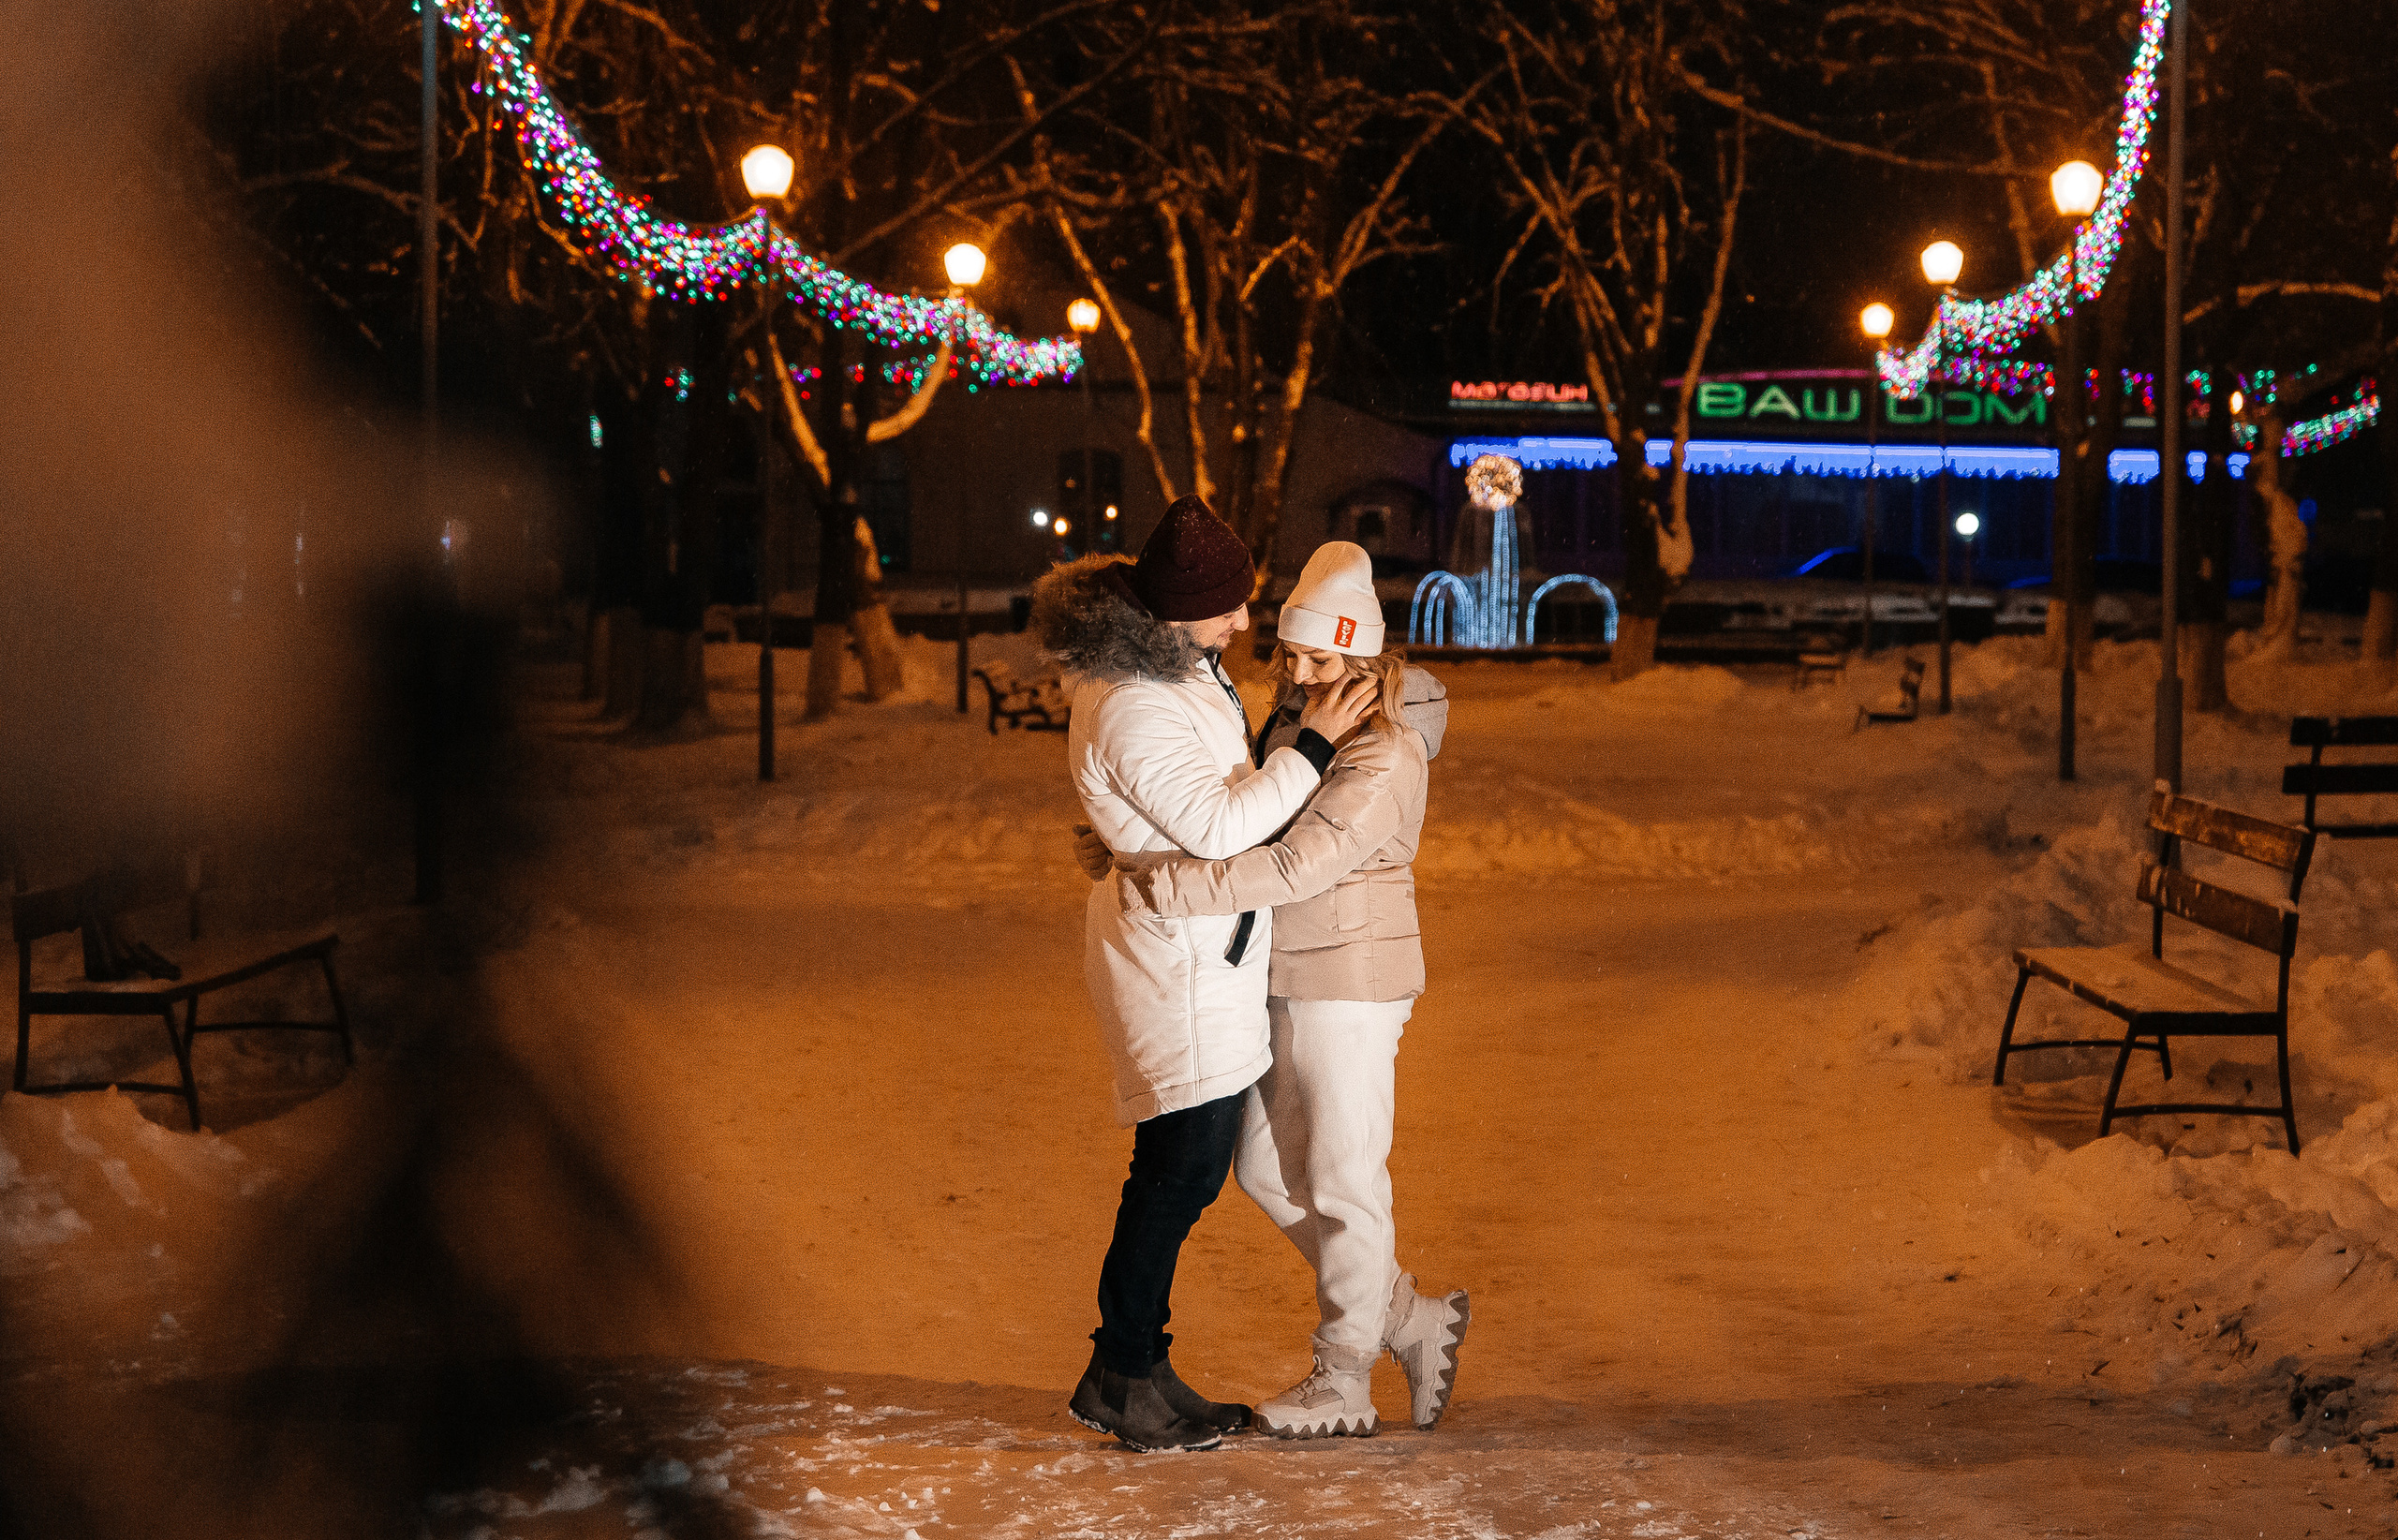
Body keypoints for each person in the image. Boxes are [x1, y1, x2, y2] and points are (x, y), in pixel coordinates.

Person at [1093, 540, 1467, 1439]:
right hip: (1284, 971)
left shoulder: (1383, 749)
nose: (1298, 674)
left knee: (1345, 1180)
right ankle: (1407, 1315)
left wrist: (1171, 884)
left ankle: (1344, 1377)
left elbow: (1296, 864)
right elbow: (1245, 812)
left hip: (1352, 980)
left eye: (1321, 659)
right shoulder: (1303, 723)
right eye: (1291, 655)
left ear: (1365, 658)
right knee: (1263, 1168)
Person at [1029, 496, 1378, 1454]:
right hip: (1172, 962)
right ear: (1181, 609)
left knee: (1179, 1174)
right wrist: (1312, 741)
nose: (1241, 624)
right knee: (1174, 1174)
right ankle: (1124, 1376)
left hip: (1197, 946)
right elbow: (1224, 825)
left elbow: (1196, 788)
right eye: (1227, 608)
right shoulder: (1135, 697)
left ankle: (1134, 1367)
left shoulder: (1172, 667)